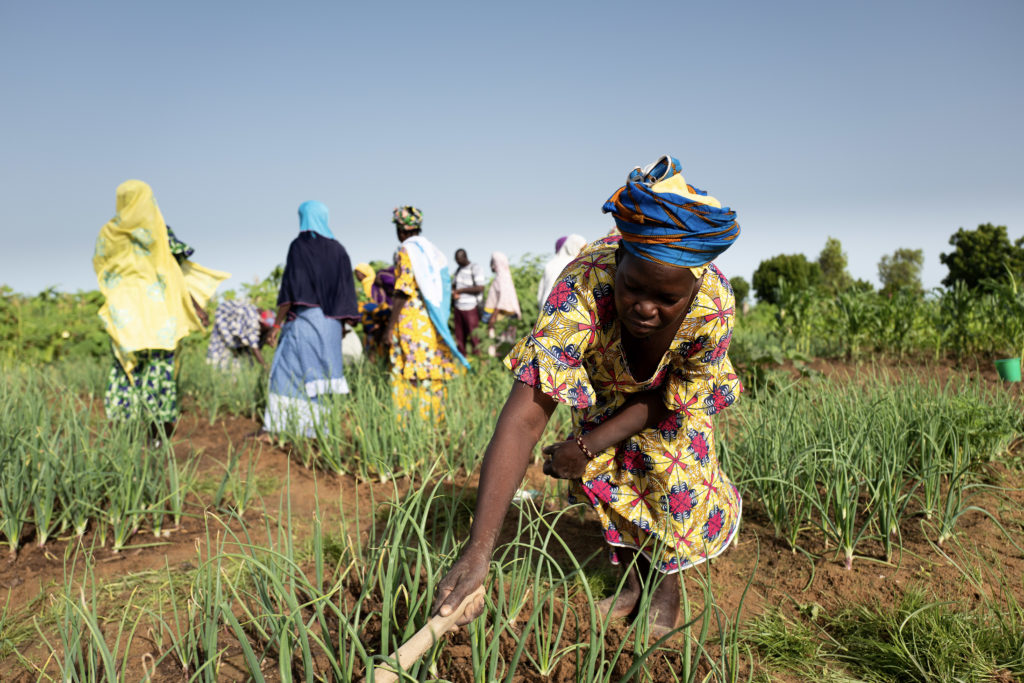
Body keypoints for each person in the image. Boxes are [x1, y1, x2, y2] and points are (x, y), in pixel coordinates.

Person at [433, 156, 743, 638]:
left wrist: (587, 444)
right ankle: (635, 582)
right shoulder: (581, 288)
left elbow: (672, 399)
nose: (645, 307)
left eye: (667, 300)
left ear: (694, 288)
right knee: (617, 484)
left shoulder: (713, 308)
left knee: (668, 474)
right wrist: (478, 551)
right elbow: (523, 419)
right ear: (617, 262)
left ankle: (664, 589)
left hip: (671, 403)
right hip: (608, 386)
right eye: (633, 287)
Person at [94, 180, 228, 441]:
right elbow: (178, 267)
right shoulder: (160, 232)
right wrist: (195, 305)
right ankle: (156, 437)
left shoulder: (108, 234)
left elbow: (103, 269)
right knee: (159, 372)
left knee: (129, 370)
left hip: (125, 315)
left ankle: (127, 438)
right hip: (160, 317)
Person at [262, 201, 359, 438]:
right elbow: (345, 292)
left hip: (307, 321)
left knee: (287, 371)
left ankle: (278, 428)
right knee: (322, 378)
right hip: (332, 326)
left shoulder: (300, 246)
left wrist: (276, 325)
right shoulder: (339, 250)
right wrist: (342, 326)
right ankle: (318, 431)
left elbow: (291, 288)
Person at [385, 206, 471, 420]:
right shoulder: (433, 251)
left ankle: (409, 422)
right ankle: (434, 419)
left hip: (411, 320)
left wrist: (389, 328)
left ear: (401, 230)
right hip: (431, 320)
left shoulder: (406, 249)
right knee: (429, 370)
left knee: (410, 370)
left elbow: (403, 289)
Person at [206, 299, 273, 370]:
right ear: (263, 324)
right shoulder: (252, 324)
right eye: (269, 328)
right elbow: (254, 348)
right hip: (224, 319)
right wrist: (265, 366)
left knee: (245, 360)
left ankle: (236, 373)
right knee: (222, 354)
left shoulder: (257, 323)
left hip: (236, 325)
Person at [481, 251, 522, 355]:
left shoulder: (502, 278)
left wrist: (493, 317)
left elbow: (503, 298)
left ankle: (499, 367)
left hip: (500, 316)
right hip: (500, 314)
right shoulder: (502, 276)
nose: (491, 265)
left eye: (492, 262)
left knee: (500, 344)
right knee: (502, 343)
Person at [354, 262, 395, 361]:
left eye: (358, 273)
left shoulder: (370, 284)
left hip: (376, 322)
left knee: (374, 349)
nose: (356, 276)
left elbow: (373, 304)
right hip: (375, 321)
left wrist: (360, 310)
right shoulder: (367, 284)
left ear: (364, 273)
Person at [537, 234, 588, 310]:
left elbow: (541, 293)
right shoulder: (574, 264)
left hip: (546, 308)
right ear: (573, 248)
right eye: (581, 249)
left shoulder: (550, 264)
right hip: (565, 310)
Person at [452, 249, 486, 356]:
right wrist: (454, 292)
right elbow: (454, 285)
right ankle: (462, 361)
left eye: (459, 260)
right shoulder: (458, 270)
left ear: (465, 257)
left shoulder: (475, 268)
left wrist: (461, 290)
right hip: (458, 307)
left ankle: (478, 361)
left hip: (471, 307)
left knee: (474, 337)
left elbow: (480, 288)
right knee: (459, 337)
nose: (458, 262)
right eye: (456, 260)